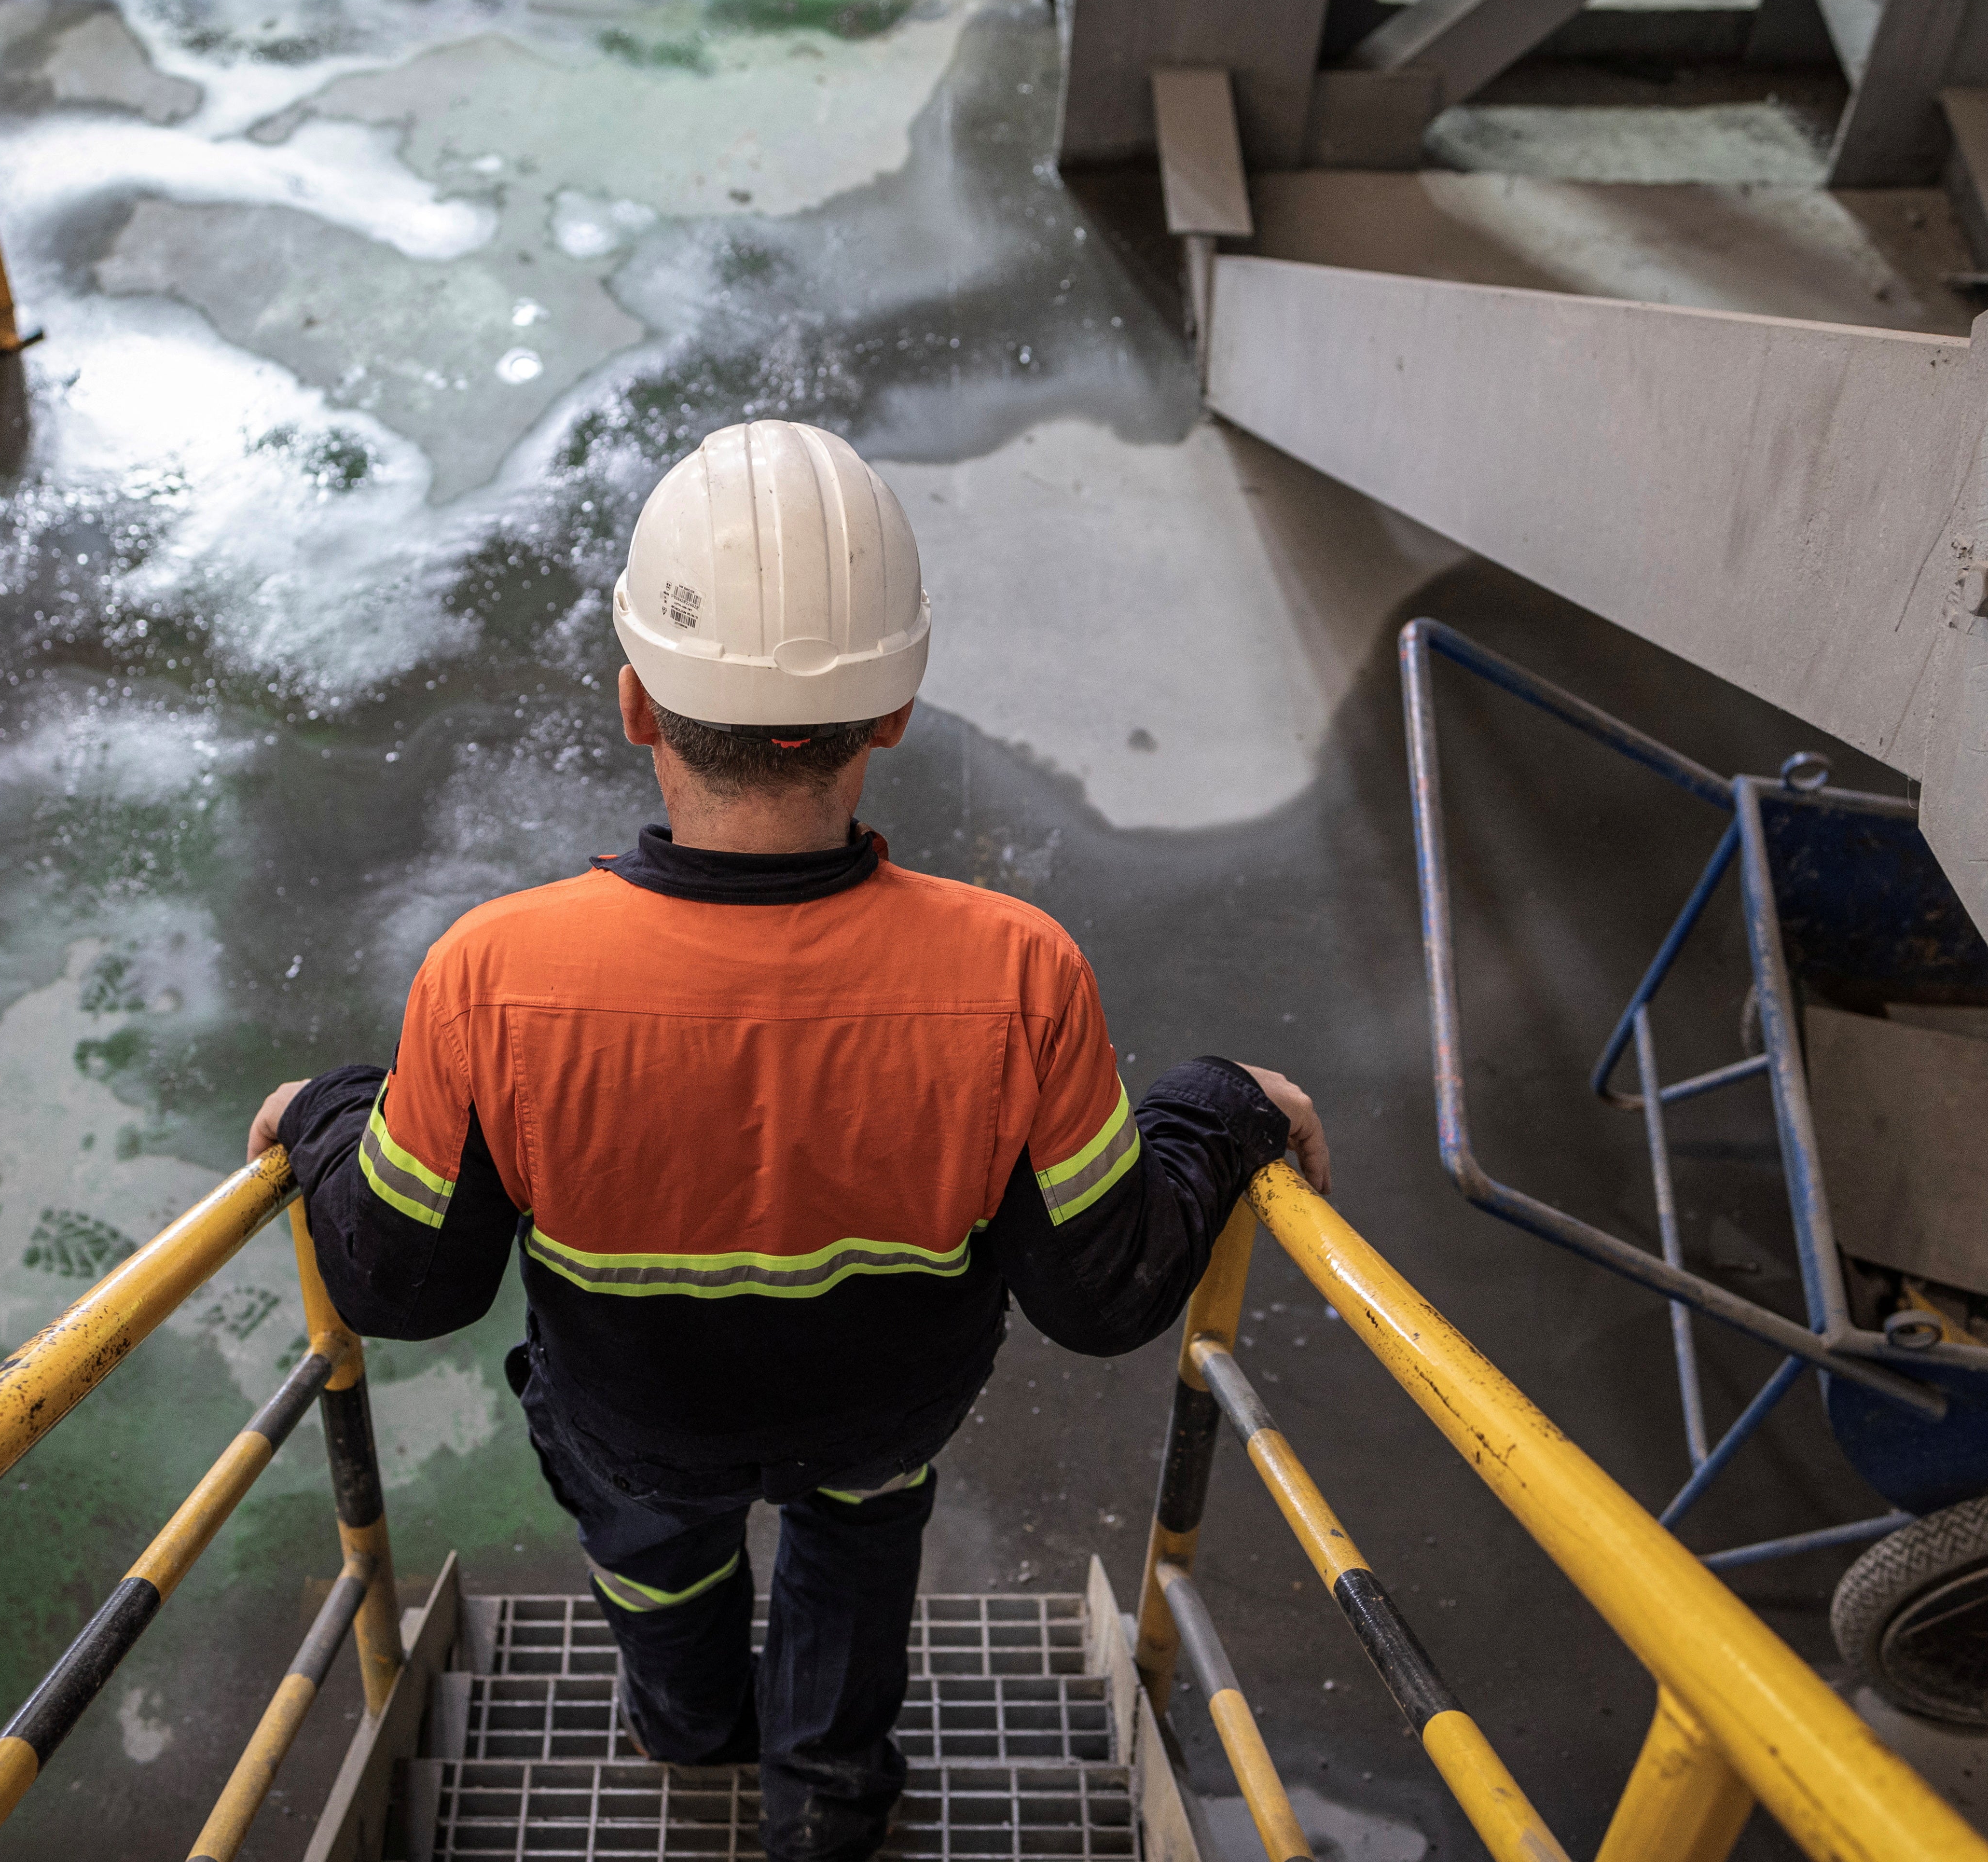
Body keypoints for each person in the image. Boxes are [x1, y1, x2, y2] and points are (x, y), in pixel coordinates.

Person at [247, 419, 1327, 1862]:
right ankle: (827, 1788)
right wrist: (1223, 1106)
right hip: (882, 1416)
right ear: (892, 713)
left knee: (658, 1560)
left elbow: (402, 1281)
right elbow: (1104, 1290)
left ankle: (693, 1731)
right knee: (856, 1557)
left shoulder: (495, 979)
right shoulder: (1018, 975)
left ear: (638, 704)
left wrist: (324, 1115)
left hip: (636, 1424)